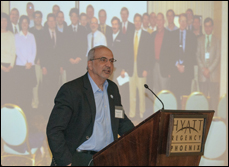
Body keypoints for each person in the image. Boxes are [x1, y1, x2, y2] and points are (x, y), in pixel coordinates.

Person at [47, 45, 134, 166]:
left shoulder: (112, 89)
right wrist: (66, 162)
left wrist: (141, 135)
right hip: (79, 159)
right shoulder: (72, 90)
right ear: (90, 64)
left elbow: (120, 121)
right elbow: (54, 130)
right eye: (103, 60)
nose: (109, 64)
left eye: (111, 60)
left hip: (108, 158)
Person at [125, 14, 152, 119]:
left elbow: (149, 54)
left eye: (139, 21)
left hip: (142, 69)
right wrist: (126, 68)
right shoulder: (130, 34)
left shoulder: (146, 35)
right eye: (135, 21)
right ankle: (132, 114)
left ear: (141, 22)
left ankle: (142, 114)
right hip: (132, 68)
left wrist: (147, 69)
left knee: (141, 93)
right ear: (133, 22)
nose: (137, 23)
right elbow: (127, 53)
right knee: (132, 93)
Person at [169, 13, 197, 108]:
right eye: (181, 20)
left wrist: (184, 66)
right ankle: (175, 113)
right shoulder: (172, 35)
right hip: (175, 70)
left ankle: (184, 113)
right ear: (179, 21)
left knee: (186, 94)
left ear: (187, 22)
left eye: (185, 21)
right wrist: (177, 65)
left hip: (187, 70)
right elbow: (170, 52)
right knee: (175, 93)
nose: (183, 23)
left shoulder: (192, 36)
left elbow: (193, 54)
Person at [40, 13, 64, 118]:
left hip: (56, 67)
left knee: (55, 88)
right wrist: (43, 66)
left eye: (53, 21)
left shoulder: (59, 34)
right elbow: (42, 52)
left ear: (55, 22)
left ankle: (54, 111)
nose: (52, 23)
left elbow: (61, 52)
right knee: (47, 89)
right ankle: (46, 111)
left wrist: (61, 66)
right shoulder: (43, 34)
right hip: (47, 67)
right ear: (47, 22)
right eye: (49, 21)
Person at [196, 17, 220, 111]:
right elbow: (197, 56)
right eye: (206, 26)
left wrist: (209, 70)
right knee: (203, 100)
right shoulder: (199, 40)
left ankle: (214, 120)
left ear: (212, 27)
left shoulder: (217, 40)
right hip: (202, 75)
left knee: (214, 100)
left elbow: (218, 57)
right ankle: (204, 120)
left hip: (213, 75)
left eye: (209, 26)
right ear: (204, 27)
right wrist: (203, 69)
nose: (208, 29)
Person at [14, 15, 37, 115]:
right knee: (21, 89)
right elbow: (17, 50)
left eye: (26, 22)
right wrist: (25, 63)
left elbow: (34, 50)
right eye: (23, 22)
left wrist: (30, 62)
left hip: (30, 67)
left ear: (28, 24)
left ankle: (28, 112)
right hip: (21, 67)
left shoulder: (31, 36)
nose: (24, 24)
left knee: (29, 89)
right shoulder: (16, 36)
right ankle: (21, 111)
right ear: (20, 24)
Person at [151, 13, 171, 95]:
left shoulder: (169, 35)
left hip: (165, 68)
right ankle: (157, 108)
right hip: (154, 66)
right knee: (155, 90)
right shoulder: (153, 35)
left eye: (160, 20)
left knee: (164, 91)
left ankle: (165, 108)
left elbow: (171, 55)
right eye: (157, 20)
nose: (159, 22)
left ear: (164, 21)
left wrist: (170, 71)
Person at [65, 8, 88, 81]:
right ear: (70, 17)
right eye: (72, 16)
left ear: (78, 18)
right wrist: (69, 58)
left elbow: (85, 45)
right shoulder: (66, 29)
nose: (74, 18)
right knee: (70, 84)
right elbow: (64, 46)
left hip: (80, 62)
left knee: (80, 84)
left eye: (75, 16)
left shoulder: (83, 29)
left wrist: (79, 57)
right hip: (69, 62)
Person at [1, 12, 16, 105]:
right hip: (1, 66)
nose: (3, 22)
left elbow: (13, 51)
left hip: (9, 67)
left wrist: (10, 66)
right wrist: (2, 67)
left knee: (9, 91)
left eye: (5, 20)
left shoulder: (11, 34)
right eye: (2, 20)